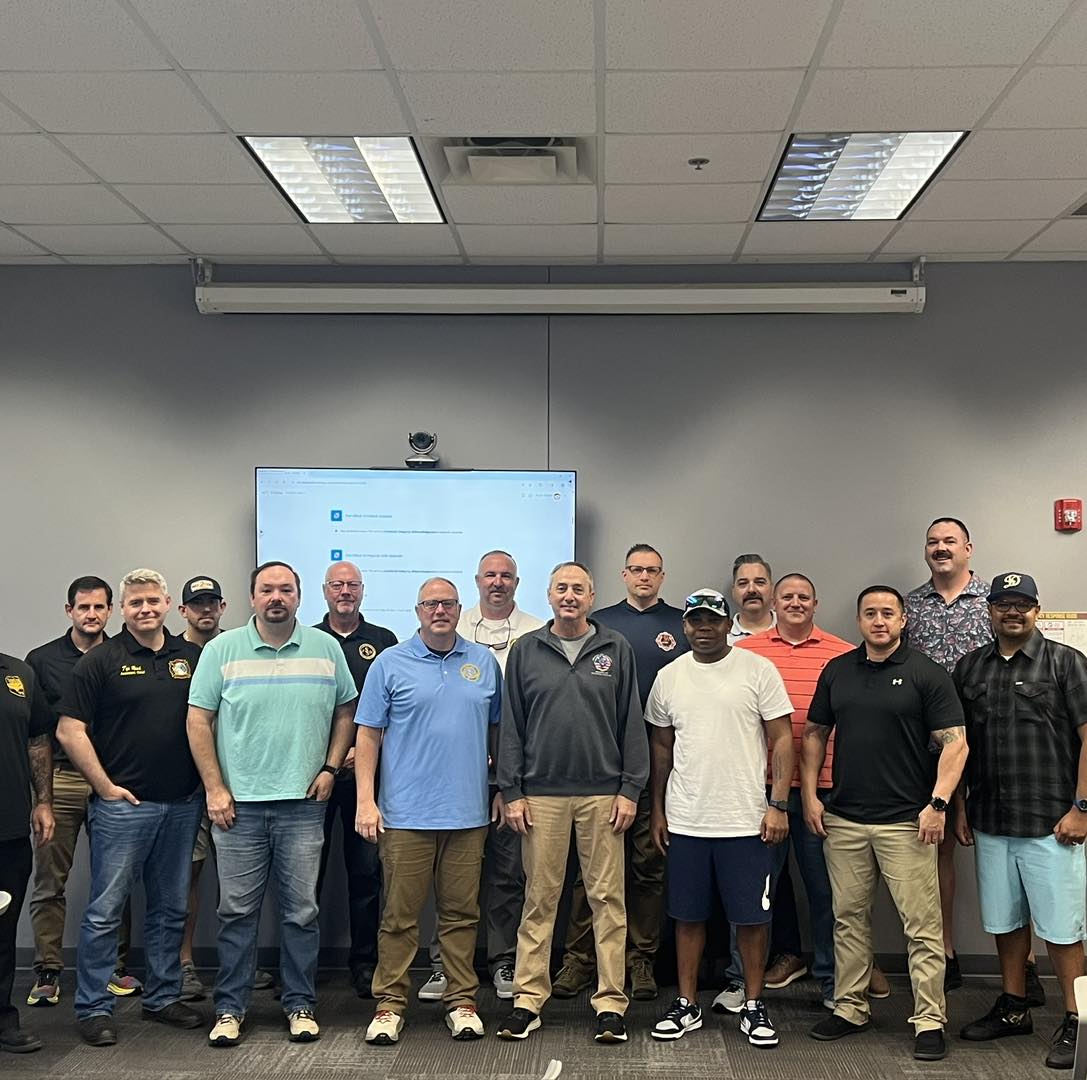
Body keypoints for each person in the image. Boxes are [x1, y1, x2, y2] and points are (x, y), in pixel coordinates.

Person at [187, 561, 357, 1047]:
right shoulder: (222, 650)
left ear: (300, 598)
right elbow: (198, 721)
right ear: (252, 598)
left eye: (286, 589)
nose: (276, 597)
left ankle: (300, 1004)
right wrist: (215, 789)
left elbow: (347, 710)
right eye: (267, 589)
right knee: (237, 912)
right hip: (237, 807)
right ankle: (230, 1009)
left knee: (301, 911)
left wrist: (329, 767)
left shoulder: (326, 648)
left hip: (304, 804)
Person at [803, 585, 967, 1063]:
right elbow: (814, 734)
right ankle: (851, 1009)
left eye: (888, 614)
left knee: (922, 928)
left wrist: (937, 805)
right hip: (845, 820)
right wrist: (812, 795)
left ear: (902, 620)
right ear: (859, 620)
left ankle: (930, 1019)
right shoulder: (838, 671)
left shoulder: (926, 674)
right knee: (848, 920)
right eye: (870, 613)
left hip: (906, 824)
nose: (879, 621)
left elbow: (955, 744)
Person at [496, 561, 648, 1044]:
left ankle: (610, 1004)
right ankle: (528, 1000)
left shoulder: (615, 648)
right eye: (561, 588)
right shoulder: (526, 650)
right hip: (540, 796)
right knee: (540, 900)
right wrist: (511, 791)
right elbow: (512, 728)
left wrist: (630, 789)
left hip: (604, 794)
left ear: (591, 596)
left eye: (578, 589)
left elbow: (632, 724)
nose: (569, 596)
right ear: (548, 594)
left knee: (608, 900)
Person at [57, 569, 205, 1047]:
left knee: (169, 906)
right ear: (123, 609)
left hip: (182, 804)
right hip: (124, 807)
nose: (145, 609)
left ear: (167, 604)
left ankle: (162, 997)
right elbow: (68, 730)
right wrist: (103, 786)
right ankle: (94, 1007)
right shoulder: (100, 661)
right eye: (135, 603)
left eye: (152, 601)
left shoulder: (192, 658)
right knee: (105, 910)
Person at [647, 589, 794, 1048]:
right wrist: (657, 809)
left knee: (751, 920)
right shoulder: (669, 677)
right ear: (685, 626)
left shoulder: (757, 670)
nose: (704, 627)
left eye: (712, 619)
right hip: (688, 820)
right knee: (687, 918)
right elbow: (661, 748)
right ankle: (687, 1004)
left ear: (727, 622)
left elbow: (784, 739)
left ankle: (753, 1004)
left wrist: (778, 803)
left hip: (747, 820)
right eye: (696, 620)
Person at [358, 578, 501, 1046]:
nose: (439, 610)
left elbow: (498, 732)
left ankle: (461, 1000)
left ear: (460, 609)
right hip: (405, 815)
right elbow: (368, 736)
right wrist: (365, 799)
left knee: (461, 915)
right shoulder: (390, 663)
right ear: (418, 611)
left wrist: (500, 789)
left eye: (447, 604)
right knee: (399, 917)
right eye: (430, 604)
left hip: (468, 814)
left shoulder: (482, 662)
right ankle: (390, 1004)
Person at [954, 572, 1087, 1070]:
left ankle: (1078, 1020)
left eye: (1022, 604)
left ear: (1036, 609)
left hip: (1054, 823)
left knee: (1063, 929)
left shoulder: (1066, 664)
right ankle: (1014, 1006)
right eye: (1003, 604)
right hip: (991, 819)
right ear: (988, 610)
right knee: (1005, 921)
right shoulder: (970, 670)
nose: (1013, 612)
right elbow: (958, 746)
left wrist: (1082, 808)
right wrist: (962, 806)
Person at [552, 544, 687, 1003]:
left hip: (661, 765)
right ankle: (579, 959)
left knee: (648, 866)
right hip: (603, 766)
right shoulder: (601, 626)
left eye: (652, 570)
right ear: (622, 574)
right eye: (635, 570)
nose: (644, 577)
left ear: (662, 576)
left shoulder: (680, 624)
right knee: (587, 873)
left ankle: (640, 959)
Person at [904, 517, 1019, 996]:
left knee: (1009, 847)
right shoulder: (909, 605)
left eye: (949, 541)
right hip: (930, 747)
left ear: (968, 548)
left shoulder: (996, 602)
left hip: (994, 739)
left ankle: (1023, 964)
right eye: (932, 541)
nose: (940, 548)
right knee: (938, 849)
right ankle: (946, 952)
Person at [728, 573, 853, 1009]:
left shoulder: (844, 655)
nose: (795, 603)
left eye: (804, 596)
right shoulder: (743, 653)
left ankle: (835, 983)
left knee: (827, 893)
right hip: (759, 791)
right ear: (773, 605)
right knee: (754, 890)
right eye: (788, 597)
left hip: (824, 791)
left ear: (816, 604)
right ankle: (742, 981)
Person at [424, 550, 544, 1004]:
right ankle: (442, 965)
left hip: (515, 776)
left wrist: (505, 784)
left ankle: (504, 959)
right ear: (477, 581)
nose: (498, 582)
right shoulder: (454, 627)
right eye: (490, 575)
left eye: (506, 576)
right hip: (451, 782)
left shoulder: (537, 631)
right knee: (449, 879)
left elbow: (508, 721)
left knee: (508, 875)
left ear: (517, 581)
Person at [25, 577, 141, 1007]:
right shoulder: (42, 660)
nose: (92, 615)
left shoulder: (124, 654)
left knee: (116, 879)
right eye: (83, 608)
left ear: (110, 610)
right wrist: (41, 796)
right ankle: (48, 970)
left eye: (99, 607)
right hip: (63, 779)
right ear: (69, 610)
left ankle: (115, 967)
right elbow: (36, 730)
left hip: (115, 780)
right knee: (50, 879)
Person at [314, 561, 397, 1000]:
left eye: (352, 585)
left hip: (368, 775)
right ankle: (301, 965)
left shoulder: (384, 642)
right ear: (324, 591)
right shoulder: (307, 639)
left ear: (363, 591)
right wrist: (330, 757)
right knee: (307, 875)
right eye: (337, 585)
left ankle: (365, 964)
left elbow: (394, 709)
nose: (345, 591)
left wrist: (357, 753)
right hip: (314, 778)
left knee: (367, 875)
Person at [0, 649, 53, 1053]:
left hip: (8, 829)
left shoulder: (18, 674)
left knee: (2, 931)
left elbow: (37, 740)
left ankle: (2, 1018)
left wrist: (44, 801)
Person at [728, 555, 776, 645]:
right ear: (733, 592)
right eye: (743, 583)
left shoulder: (791, 630)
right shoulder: (722, 639)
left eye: (759, 582)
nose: (751, 590)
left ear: (772, 590)